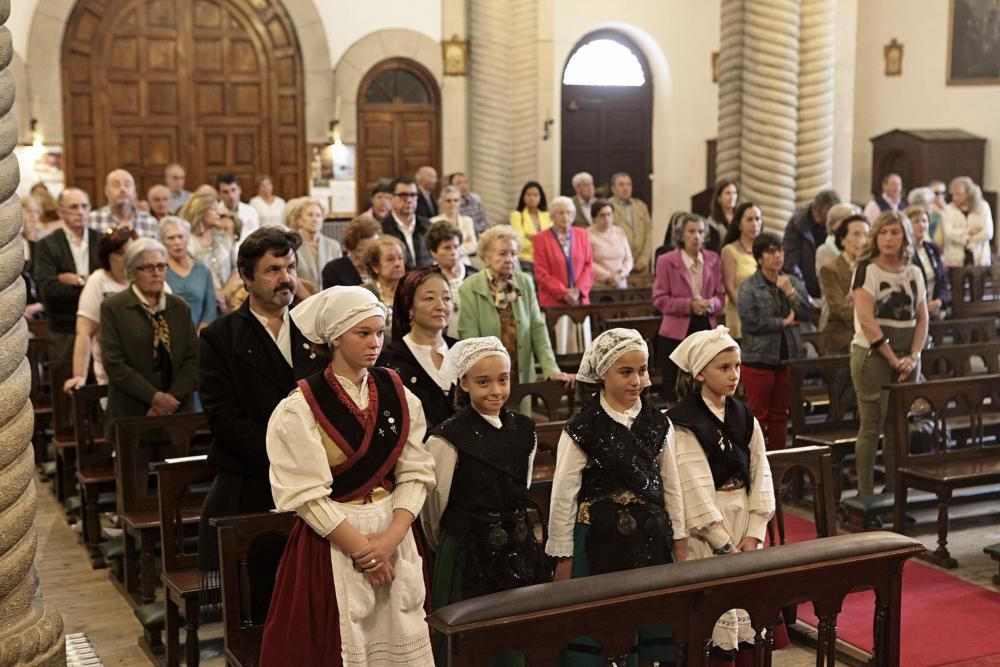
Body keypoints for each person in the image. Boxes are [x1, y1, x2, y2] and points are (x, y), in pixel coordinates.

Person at [258, 286, 436, 666]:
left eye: (379, 332)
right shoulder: (302, 406)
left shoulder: (397, 392)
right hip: (334, 541)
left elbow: (416, 472)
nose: (375, 343)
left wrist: (390, 539)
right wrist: (366, 552)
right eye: (363, 333)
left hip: (395, 531)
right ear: (336, 337)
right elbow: (306, 495)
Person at [197, 227, 328, 576]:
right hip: (252, 477)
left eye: (290, 268)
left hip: (317, 475)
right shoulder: (220, 338)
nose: (285, 279)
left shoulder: (316, 330)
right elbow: (223, 419)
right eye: (273, 270)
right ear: (245, 276)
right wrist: (285, 454)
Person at [547, 328, 681, 665]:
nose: (637, 381)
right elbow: (564, 495)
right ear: (602, 374)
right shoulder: (583, 426)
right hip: (597, 542)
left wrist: (679, 537)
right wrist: (563, 555)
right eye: (625, 372)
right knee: (600, 630)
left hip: (651, 541)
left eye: (642, 370)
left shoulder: (658, 423)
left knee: (648, 623)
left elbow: (672, 485)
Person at [422, 337, 544, 665]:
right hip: (465, 548)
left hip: (514, 545)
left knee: (513, 637)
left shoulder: (524, 428)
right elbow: (435, 505)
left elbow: (523, 482)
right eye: (483, 382)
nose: (495, 391)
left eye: (502, 380)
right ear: (463, 383)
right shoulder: (446, 437)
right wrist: (450, 543)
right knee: (470, 644)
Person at [667, 325, 782, 664]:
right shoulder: (683, 422)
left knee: (747, 614)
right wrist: (725, 542)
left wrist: (755, 532)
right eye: (723, 367)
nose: (734, 375)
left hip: (744, 516)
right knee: (715, 617)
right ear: (700, 373)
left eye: (737, 366)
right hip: (707, 529)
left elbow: (760, 469)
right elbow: (691, 485)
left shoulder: (743, 414)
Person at [850, 210, 927, 498]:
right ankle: (865, 496)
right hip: (873, 356)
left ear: (905, 236)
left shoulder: (914, 271)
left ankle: (896, 494)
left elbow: (923, 318)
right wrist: (893, 359)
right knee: (872, 426)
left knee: (899, 426)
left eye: (895, 232)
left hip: (908, 356)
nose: (889, 238)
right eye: (883, 232)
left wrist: (914, 355)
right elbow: (867, 319)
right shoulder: (867, 269)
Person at [99, 238, 198, 437]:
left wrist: (169, 400)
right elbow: (113, 363)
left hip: (177, 411)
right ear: (132, 272)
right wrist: (154, 398)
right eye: (148, 267)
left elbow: (193, 358)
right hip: (132, 411)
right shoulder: (113, 307)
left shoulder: (180, 307)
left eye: (161, 266)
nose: (157, 273)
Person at [458, 225, 573, 387]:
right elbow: (469, 338)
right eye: (503, 253)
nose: (509, 259)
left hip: (522, 371)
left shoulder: (524, 282)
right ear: (486, 257)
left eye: (513, 254)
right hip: (486, 377)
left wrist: (551, 369)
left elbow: (537, 328)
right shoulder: (469, 287)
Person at [736, 233, 811, 450]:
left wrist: (790, 293)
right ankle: (756, 465)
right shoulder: (749, 287)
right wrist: (782, 322)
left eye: (779, 251)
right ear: (760, 258)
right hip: (759, 359)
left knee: (781, 415)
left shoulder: (792, 281)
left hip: (787, 359)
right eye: (770, 252)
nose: (777, 256)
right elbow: (750, 322)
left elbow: (807, 312)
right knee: (758, 416)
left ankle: (779, 463)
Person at [653, 214, 725, 402]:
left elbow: (720, 296)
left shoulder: (713, 259)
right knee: (675, 389)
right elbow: (659, 299)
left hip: (706, 326)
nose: (696, 236)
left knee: (705, 386)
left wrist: (712, 304)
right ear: (681, 235)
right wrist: (689, 305)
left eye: (701, 232)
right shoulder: (666, 260)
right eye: (691, 231)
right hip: (676, 332)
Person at [63, 225, 138, 391]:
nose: (126, 258)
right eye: (120, 253)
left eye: (131, 252)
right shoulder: (98, 280)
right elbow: (84, 332)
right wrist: (79, 376)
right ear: (107, 256)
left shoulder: (144, 277)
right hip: (112, 371)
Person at [33, 188, 100, 362]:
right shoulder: (47, 245)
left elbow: (109, 284)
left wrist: (78, 280)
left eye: (84, 206)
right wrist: (92, 285)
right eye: (74, 207)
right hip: (63, 329)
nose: (80, 212)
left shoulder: (101, 242)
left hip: (99, 327)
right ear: (60, 212)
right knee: (66, 384)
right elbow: (48, 290)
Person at [387, 266, 457, 429]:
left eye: (446, 298)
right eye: (429, 298)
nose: (441, 306)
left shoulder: (462, 350)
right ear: (409, 308)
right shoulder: (391, 360)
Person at [818, 215, 870, 354]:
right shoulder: (830, 269)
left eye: (866, 235)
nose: (863, 241)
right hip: (842, 338)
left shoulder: (872, 268)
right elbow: (838, 309)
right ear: (842, 240)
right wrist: (870, 308)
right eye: (856, 234)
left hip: (870, 336)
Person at [532, 196, 594, 308]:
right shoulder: (540, 239)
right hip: (553, 301)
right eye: (560, 213)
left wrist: (578, 291)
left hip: (579, 300)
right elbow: (541, 273)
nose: (565, 216)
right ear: (552, 216)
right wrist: (564, 293)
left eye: (569, 212)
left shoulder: (582, 234)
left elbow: (588, 266)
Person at [782, 189, 841, 300]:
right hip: (805, 287)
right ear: (819, 209)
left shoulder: (834, 226)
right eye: (830, 212)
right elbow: (790, 263)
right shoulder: (797, 224)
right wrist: (803, 292)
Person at [161, 217, 217, 332]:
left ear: (188, 239)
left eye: (180, 237)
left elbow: (210, 311)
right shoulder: (160, 271)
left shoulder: (202, 270)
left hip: (199, 337)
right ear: (163, 242)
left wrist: (198, 337)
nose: (177, 242)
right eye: (171, 238)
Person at [426, 220, 478, 337]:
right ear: (433, 252)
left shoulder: (474, 275)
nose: (453, 252)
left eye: (456, 247)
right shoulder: (426, 279)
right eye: (447, 248)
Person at [179, 192, 233, 303]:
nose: (219, 213)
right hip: (200, 300)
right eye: (213, 209)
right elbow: (189, 276)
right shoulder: (187, 243)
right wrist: (214, 294)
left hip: (229, 298)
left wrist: (224, 293)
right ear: (200, 211)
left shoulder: (224, 238)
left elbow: (237, 268)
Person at [720, 201, 762, 339]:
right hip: (740, 315)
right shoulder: (730, 251)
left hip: (764, 315)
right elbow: (730, 286)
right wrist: (748, 311)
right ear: (739, 224)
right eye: (749, 219)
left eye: (757, 219)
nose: (754, 224)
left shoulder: (765, 251)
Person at [285, 197, 342, 292]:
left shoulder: (334, 246)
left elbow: (339, 277)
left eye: (318, 215)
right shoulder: (292, 246)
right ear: (299, 220)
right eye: (310, 215)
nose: (315, 219)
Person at [363, 236, 407, 348]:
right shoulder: (365, 294)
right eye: (390, 259)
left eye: (400, 258)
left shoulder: (413, 291)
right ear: (375, 266)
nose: (397, 263)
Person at [908, 205, 950, 320]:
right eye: (916, 221)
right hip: (913, 312)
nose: (921, 225)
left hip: (934, 309)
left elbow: (943, 280)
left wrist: (940, 301)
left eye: (924, 221)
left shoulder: (932, 248)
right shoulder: (905, 252)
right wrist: (923, 308)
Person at [87, 169, 157, 238]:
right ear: (107, 191)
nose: (123, 189)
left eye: (127, 185)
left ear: (135, 191)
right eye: (116, 185)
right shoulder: (91, 220)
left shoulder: (149, 221)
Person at [382, 176, 432, 270]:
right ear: (391, 198)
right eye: (403, 195)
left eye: (413, 195)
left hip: (427, 280)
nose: (409, 200)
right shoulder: (383, 228)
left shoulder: (428, 226)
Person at [941, 175, 993, 266]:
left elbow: (987, 232)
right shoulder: (948, 209)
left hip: (979, 258)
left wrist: (972, 239)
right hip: (955, 259)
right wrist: (968, 233)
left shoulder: (983, 207)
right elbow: (948, 232)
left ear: (968, 194)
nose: (954, 198)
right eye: (953, 194)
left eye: (958, 194)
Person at [610, 172, 653, 273]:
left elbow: (649, 233)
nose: (625, 188)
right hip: (618, 266)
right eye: (621, 185)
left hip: (641, 266)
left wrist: (644, 259)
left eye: (628, 184)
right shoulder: (607, 207)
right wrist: (625, 262)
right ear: (613, 188)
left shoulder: (641, 206)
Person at [322, 217, 381, 289]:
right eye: (362, 249)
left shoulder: (382, 267)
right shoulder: (333, 269)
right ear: (352, 247)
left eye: (373, 249)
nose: (369, 254)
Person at [588, 199, 633, 289]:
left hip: (620, 282)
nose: (606, 219)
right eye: (602, 215)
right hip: (599, 284)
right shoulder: (587, 235)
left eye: (609, 214)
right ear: (594, 218)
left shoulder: (620, 232)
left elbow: (628, 259)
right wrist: (608, 277)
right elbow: (588, 262)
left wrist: (622, 273)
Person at [509, 181, 552, 271]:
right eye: (528, 195)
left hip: (547, 259)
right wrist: (541, 239)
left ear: (541, 197)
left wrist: (532, 238)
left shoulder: (547, 216)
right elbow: (520, 242)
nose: (532, 198)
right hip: (526, 260)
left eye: (535, 195)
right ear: (523, 197)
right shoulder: (517, 215)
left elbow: (552, 240)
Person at [814, 202, 862, 278]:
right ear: (833, 225)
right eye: (847, 220)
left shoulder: (861, 246)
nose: (852, 224)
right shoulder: (824, 250)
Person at [430, 184, 477, 258]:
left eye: (456, 200)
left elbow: (473, 246)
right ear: (442, 203)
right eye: (448, 201)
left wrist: (448, 249)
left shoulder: (467, 220)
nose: (452, 203)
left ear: (460, 202)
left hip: (465, 262)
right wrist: (464, 244)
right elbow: (435, 249)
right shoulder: (434, 222)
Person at [216, 172, 261, 246]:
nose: (231, 196)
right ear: (219, 194)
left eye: (233, 190)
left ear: (239, 190)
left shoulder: (251, 211)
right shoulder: (215, 213)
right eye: (225, 192)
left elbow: (257, 239)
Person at [707, 179, 739, 253]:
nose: (732, 197)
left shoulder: (742, 216)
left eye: (734, 193)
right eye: (728, 193)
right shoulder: (712, 221)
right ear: (718, 198)